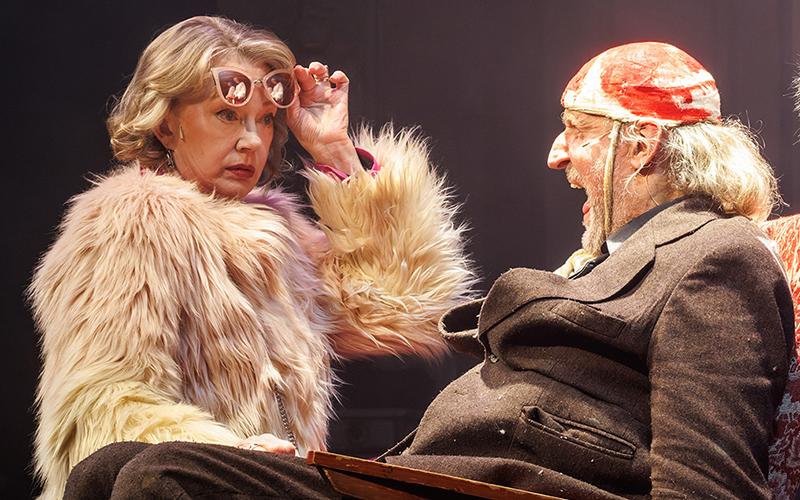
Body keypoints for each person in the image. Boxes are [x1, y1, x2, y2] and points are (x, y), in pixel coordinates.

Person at [63, 42, 794, 499]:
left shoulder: (714, 256)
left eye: (577, 131)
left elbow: (708, 484)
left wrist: (337, 157)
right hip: (427, 474)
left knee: (163, 478)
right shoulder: (615, 259)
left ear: (641, 147)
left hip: (490, 488)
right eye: (229, 117)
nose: (555, 155)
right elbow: (108, 393)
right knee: (107, 470)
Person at [29, 15, 474, 500]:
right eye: (226, 114)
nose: (254, 141)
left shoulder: (277, 233)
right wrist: (229, 456)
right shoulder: (130, 224)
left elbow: (406, 308)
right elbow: (102, 406)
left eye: (264, 119)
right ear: (166, 123)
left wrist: (336, 153)